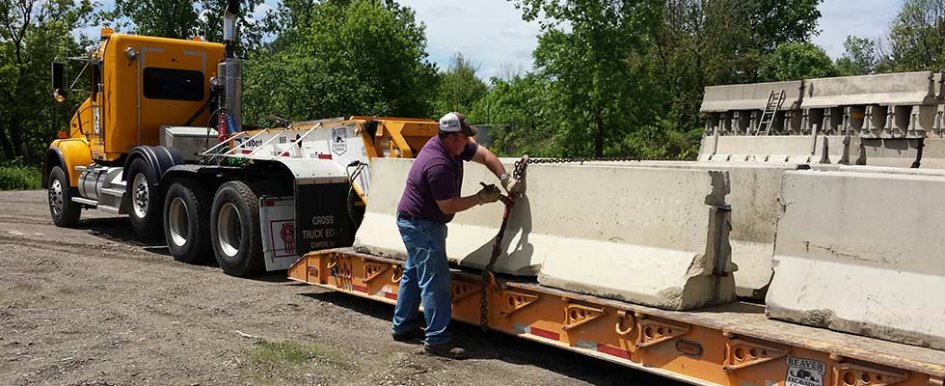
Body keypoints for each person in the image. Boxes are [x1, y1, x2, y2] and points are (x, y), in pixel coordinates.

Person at [391, 112, 519, 359]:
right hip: (422, 224)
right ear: (451, 137)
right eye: (464, 137)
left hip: (416, 220)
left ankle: (403, 326)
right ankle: (437, 340)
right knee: (436, 280)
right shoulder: (438, 164)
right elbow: (447, 206)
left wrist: (505, 179)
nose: (468, 142)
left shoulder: (452, 146)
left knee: (415, 272)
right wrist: (480, 199)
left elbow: (485, 155)